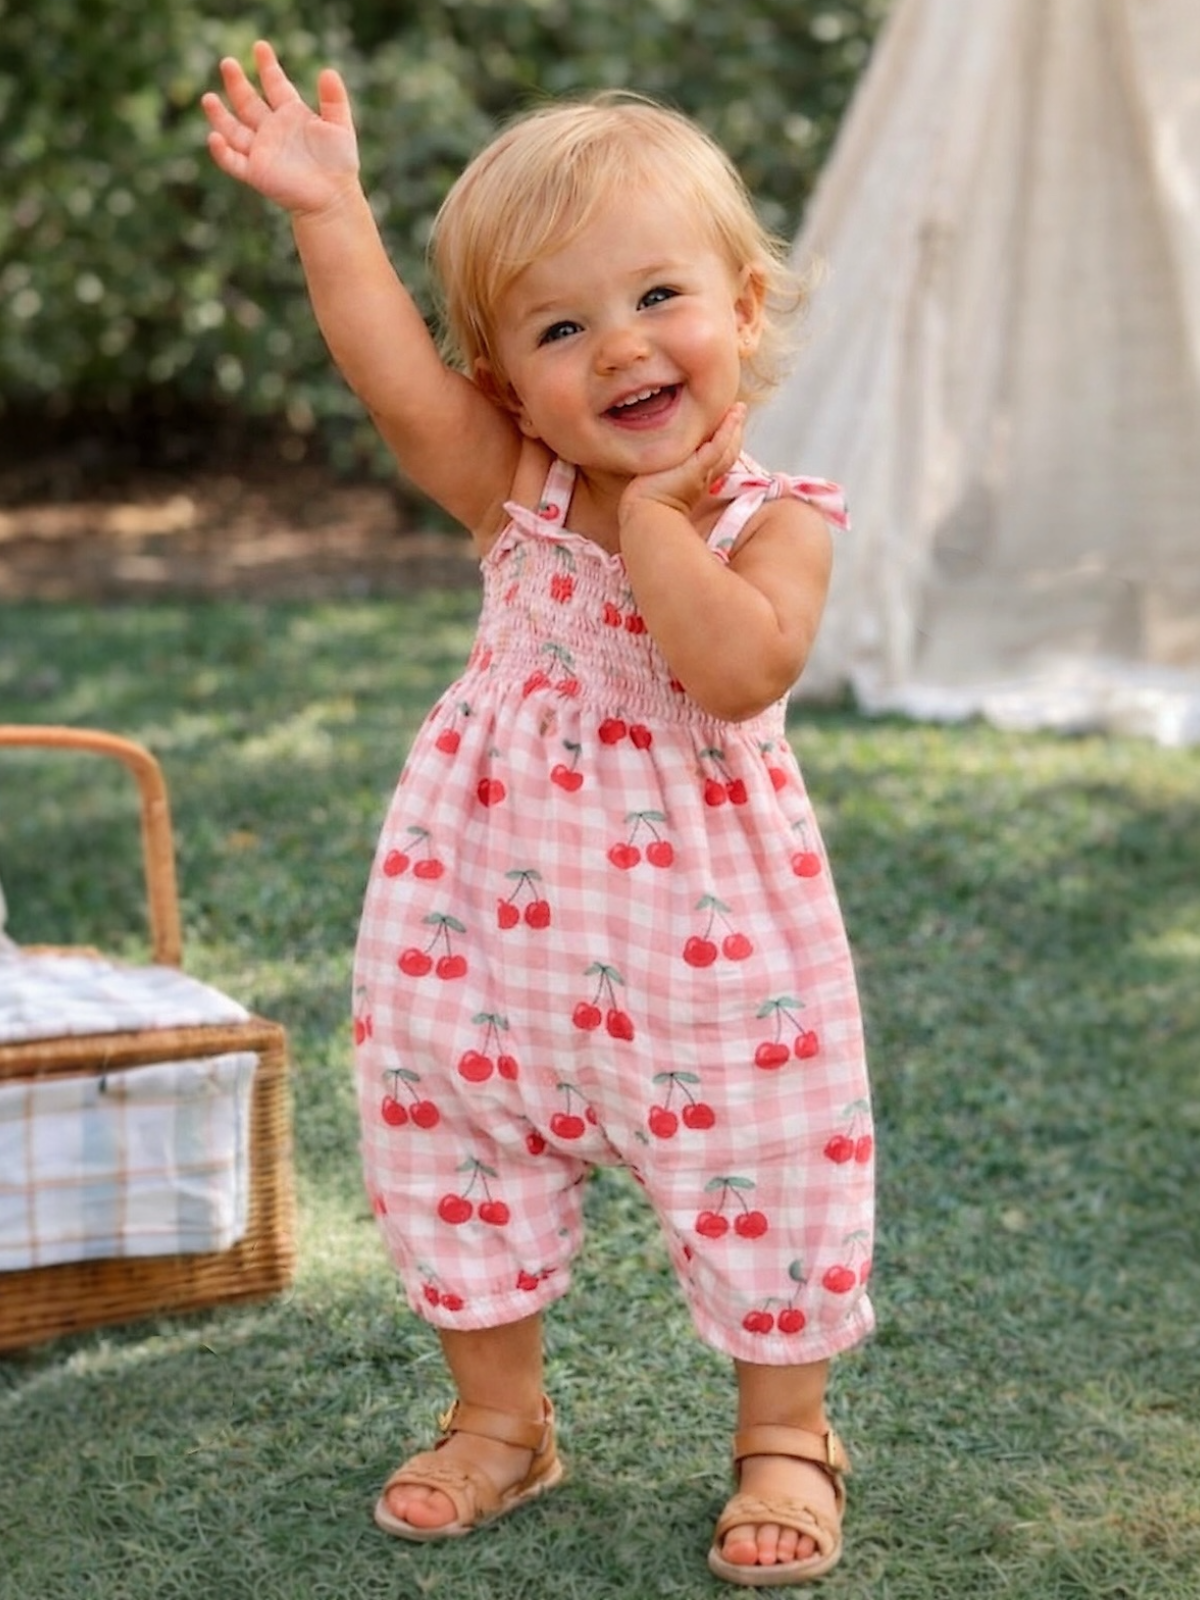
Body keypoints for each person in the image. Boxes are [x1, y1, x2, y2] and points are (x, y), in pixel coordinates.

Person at [203, 39, 875, 1587]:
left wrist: (653, 523)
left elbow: (728, 671)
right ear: (509, 382)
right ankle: (499, 1417)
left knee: (770, 1167)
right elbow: (384, 364)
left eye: (657, 300)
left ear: (743, 312)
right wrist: (328, 211)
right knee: (446, 1137)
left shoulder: (782, 528)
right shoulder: (509, 484)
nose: (621, 347)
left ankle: (785, 1433)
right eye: (562, 327)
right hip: (481, 925)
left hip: (712, 964)